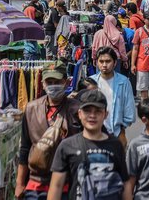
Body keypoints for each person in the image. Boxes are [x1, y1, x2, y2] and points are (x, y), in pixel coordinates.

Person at [15, 61, 82, 199]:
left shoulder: (77, 110)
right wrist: (20, 183)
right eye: (49, 82)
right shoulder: (31, 109)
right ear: (43, 84)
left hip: (68, 182)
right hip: (37, 183)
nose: (53, 86)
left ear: (66, 82)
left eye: (57, 81)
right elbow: (25, 148)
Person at [48, 90, 129, 200]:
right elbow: (56, 186)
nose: (92, 115)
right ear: (79, 114)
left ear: (105, 114)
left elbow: (125, 182)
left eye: (98, 111)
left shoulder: (116, 145)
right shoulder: (67, 146)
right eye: (87, 111)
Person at [90, 47, 136, 149]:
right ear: (96, 63)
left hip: (117, 133)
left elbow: (129, 109)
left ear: (115, 63)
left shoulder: (124, 82)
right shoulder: (91, 82)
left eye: (108, 61)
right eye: (101, 61)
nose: (104, 65)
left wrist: (121, 128)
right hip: (94, 133)